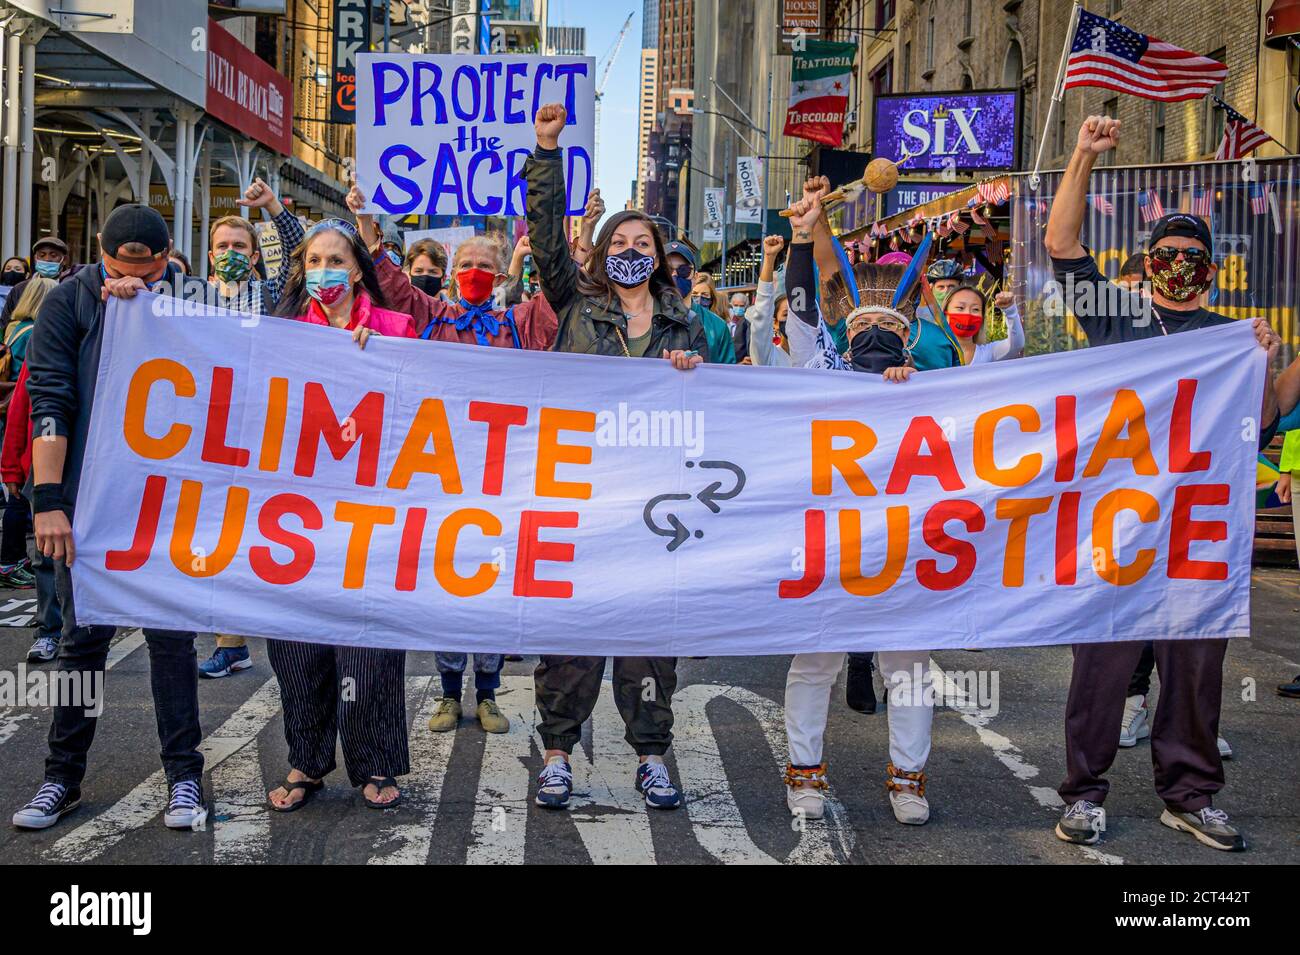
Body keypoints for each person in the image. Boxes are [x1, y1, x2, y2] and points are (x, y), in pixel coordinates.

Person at [1043, 114, 1280, 853]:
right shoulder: (1119, 319)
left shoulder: (1232, 338)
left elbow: (1266, 417)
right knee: (1102, 671)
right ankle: (1083, 793)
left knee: (1196, 672)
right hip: (1120, 530)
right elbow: (1062, 247)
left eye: (1193, 253)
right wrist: (1082, 153)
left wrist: (1269, 359)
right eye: (1168, 252)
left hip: (1195, 537)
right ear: (1147, 263)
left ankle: (1191, 794)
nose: (1181, 261)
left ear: (1210, 267)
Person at [525, 101, 705, 811]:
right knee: (570, 635)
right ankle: (559, 752)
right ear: (602, 253)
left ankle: (652, 755)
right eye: (619, 238)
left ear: (659, 258)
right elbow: (544, 238)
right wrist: (547, 151)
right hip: (580, 498)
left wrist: (694, 375)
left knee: (648, 638)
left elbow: (719, 413)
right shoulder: (574, 304)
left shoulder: (685, 323)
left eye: (644, 239)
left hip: (654, 507)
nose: (632, 247)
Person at [12, 204, 208, 832]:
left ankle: (184, 776)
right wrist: (48, 504)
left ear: (167, 256)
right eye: (123, 269)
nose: (137, 279)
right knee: (81, 643)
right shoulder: (68, 303)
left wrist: (147, 307)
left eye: (150, 270)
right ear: (101, 252)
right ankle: (60, 779)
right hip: (90, 499)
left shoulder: (190, 300)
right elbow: (51, 401)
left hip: (169, 503)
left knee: (171, 641)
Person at [349, 185, 560, 735]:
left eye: (484, 264)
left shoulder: (519, 322)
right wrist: (367, 225)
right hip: (439, 475)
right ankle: (448, 694)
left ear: (501, 274)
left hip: (502, 479)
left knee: (490, 586)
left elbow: (565, 299)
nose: (474, 271)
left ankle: (487, 694)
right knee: (447, 589)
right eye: (465, 263)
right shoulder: (433, 315)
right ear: (450, 272)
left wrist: (571, 234)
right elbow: (389, 285)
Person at [780, 190, 935, 827]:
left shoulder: (934, 386)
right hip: (831, 541)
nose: (879, 334)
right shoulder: (819, 368)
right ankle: (804, 774)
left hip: (904, 545)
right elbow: (797, 309)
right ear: (846, 330)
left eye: (892, 328)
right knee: (816, 659)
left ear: (910, 336)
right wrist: (801, 239)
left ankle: (908, 780)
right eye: (866, 326)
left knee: (910, 665)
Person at [262, 217, 416, 813]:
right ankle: (306, 761)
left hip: (370, 515)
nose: (324, 270)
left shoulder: (396, 329)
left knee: (369, 645)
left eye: (336, 259)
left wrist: (380, 363)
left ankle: (376, 763)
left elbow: (422, 414)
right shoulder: (283, 335)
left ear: (358, 270)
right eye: (314, 260)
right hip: (295, 513)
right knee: (297, 645)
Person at [197, 177, 306, 679]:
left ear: (255, 255)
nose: (230, 252)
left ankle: (290, 637)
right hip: (208, 436)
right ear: (210, 252)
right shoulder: (188, 298)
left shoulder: (268, 293)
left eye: (240, 246)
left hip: (266, 433)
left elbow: (297, 253)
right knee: (218, 536)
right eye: (223, 246)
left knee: (267, 536)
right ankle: (229, 640)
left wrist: (272, 208)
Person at [0, 278, 56, 593]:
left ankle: (14, 563)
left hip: (30, 450)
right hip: (34, 453)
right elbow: (21, 409)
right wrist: (10, 466)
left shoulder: (15, 328)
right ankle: (12, 563)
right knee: (24, 510)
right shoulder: (37, 337)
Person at [666, 240, 735, 364]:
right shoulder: (642, 322)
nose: (674, 276)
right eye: (666, 270)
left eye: (684, 270)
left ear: (695, 277)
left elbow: (727, 375)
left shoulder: (717, 326)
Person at [943, 283, 1024, 365]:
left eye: (975, 309)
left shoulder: (988, 354)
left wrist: (1010, 311)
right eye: (960, 308)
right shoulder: (932, 353)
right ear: (945, 314)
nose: (968, 314)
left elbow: (1016, 345)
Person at [743, 235, 791, 368]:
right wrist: (769, 258)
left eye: (799, 314)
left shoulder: (816, 356)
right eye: (786, 315)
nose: (794, 321)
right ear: (774, 323)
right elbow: (762, 313)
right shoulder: (767, 358)